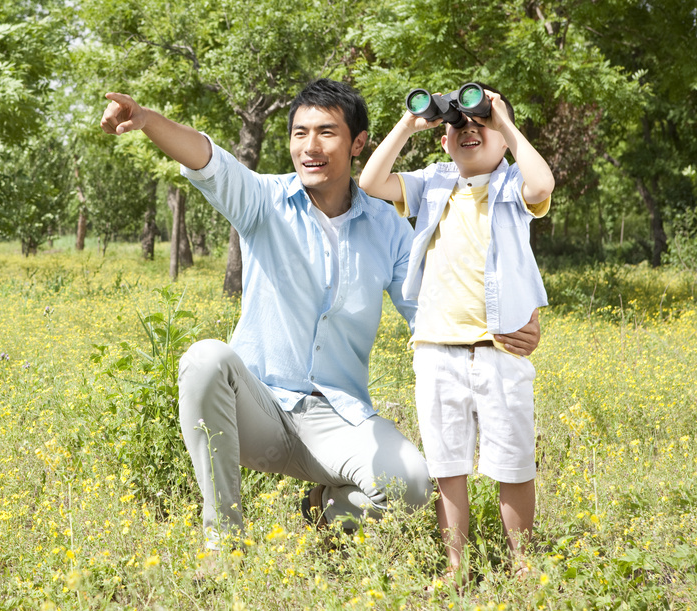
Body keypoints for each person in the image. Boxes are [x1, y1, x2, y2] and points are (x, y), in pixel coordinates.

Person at [99, 79, 541, 568]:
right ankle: (225, 544)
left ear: (357, 143)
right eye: (300, 133)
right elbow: (209, 158)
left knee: (411, 486)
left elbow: (429, 305)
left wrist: (506, 326)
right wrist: (148, 121)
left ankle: (323, 513)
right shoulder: (263, 202)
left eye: (327, 133)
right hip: (260, 409)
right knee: (205, 358)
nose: (309, 147)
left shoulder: (386, 224)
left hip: (338, 415)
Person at [357, 83, 553, 585]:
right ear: (444, 140)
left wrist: (505, 123)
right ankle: (455, 565)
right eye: (458, 125)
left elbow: (541, 185)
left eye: (479, 125)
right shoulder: (433, 184)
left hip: (499, 348)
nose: (469, 130)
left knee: (513, 464)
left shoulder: (510, 187)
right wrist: (409, 124)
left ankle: (523, 563)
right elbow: (371, 182)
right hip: (437, 348)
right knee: (448, 466)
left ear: (502, 139)